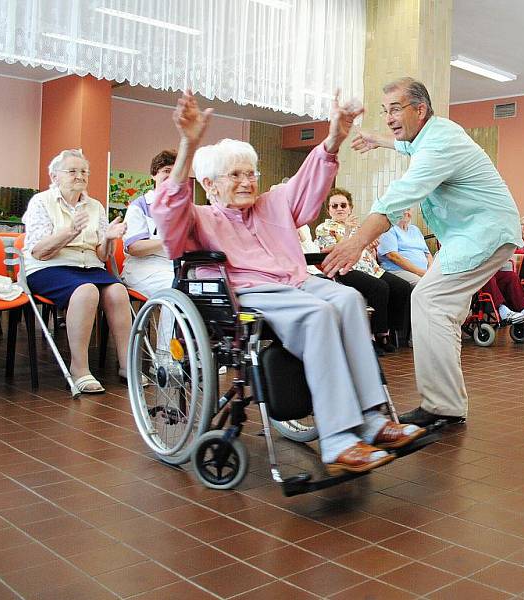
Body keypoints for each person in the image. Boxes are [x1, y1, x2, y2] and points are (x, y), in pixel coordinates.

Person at [151, 90, 423, 475]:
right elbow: (168, 212)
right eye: (236, 175)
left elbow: (308, 183)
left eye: (250, 173)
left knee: (347, 300)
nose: (247, 182)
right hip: (250, 291)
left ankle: (373, 419)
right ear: (210, 184)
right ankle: (338, 440)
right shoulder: (199, 217)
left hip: (297, 280)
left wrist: (335, 137)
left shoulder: (273, 202)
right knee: (317, 315)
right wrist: (188, 143)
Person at [322, 77, 522, 428]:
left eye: (396, 109)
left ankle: (442, 406)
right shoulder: (429, 135)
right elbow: (408, 147)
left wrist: (354, 242)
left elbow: (398, 197)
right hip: (472, 234)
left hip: (483, 233)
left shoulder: (439, 144)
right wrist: (379, 140)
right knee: (439, 309)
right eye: (385, 111)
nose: (389, 117)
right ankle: (447, 402)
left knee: (429, 301)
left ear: (420, 109)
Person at [21, 149, 132, 393]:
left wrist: (110, 239)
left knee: (118, 292)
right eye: (72, 171)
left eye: (83, 171)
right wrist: (69, 231)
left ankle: (126, 364)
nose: (79, 176)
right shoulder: (41, 202)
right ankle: (79, 369)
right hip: (49, 267)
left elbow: (103, 256)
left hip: (90, 266)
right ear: (54, 177)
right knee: (86, 292)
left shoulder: (95, 206)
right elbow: (39, 252)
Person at [315, 188, 412, 355]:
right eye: (334, 206)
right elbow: (329, 250)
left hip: (370, 268)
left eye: (343, 205)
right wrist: (346, 231)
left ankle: (386, 331)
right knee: (379, 287)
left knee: (402, 287)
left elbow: (366, 249)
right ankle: (373, 337)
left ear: (350, 208)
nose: (339, 208)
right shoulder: (323, 228)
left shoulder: (359, 227)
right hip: (344, 268)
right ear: (329, 209)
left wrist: (371, 246)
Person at [120, 150, 177, 298]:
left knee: (203, 287)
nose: (171, 176)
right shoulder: (139, 206)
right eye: (166, 171)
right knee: (175, 290)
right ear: (154, 174)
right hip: (143, 267)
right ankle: (167, 323)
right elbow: (134, 247)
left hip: (173, 266)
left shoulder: (183, 209)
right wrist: (167, 241)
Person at [376, 208, 432, 286]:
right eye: (402, 210)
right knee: (425, 286)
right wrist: (422, 273)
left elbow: (427, 254)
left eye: (408, 209)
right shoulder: (388, 229)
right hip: (399, 270)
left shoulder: (415, 230)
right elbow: (393, 256)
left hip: (423, 273)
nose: (406, 212)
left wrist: (431, 272)